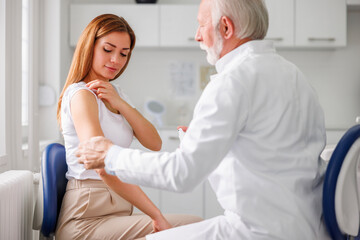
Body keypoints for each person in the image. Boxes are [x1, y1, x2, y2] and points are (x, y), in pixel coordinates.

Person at [77, 0, 331, 239]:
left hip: (256, 230)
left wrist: (110, 155)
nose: (197, 35)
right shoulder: (295, 75)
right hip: (308, 228)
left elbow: (182, 173)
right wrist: (205, 141)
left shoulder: (233, 81)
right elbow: (267, 156)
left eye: (201, 24)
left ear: (226, 27)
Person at [55, 14, 202, 240]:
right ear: (89, 47)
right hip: (86, 219)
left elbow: (154, 143)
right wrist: (156, 215)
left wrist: (120, 104)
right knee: (195, 228)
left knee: (194, 229)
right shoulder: (81, 95)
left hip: (115, 212)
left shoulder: (116, 94)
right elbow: (101, 164)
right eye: (108, 49)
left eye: (124, 54)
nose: (116, 60)